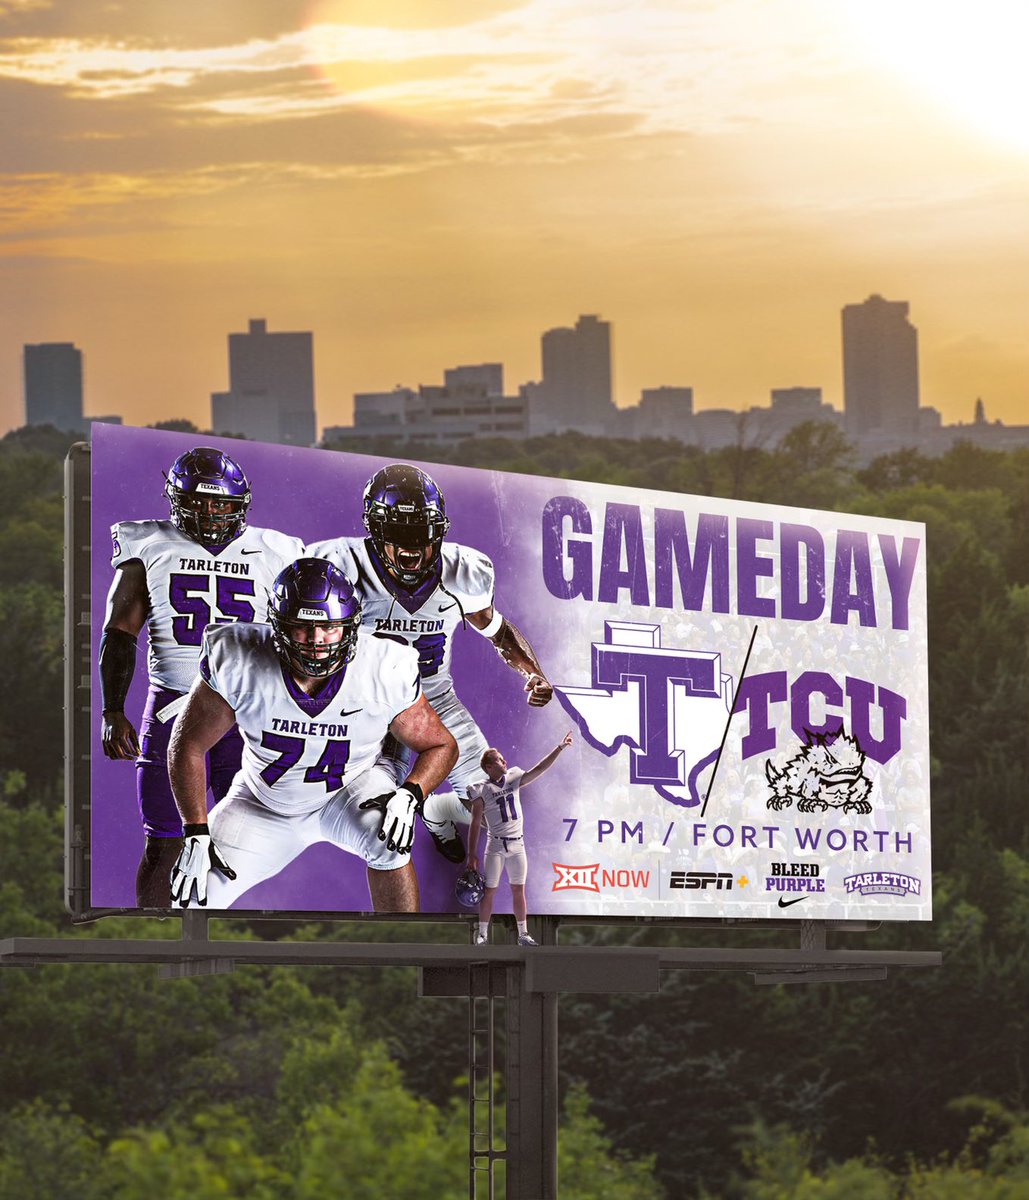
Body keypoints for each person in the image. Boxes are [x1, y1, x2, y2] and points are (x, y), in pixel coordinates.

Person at [168, 558, 458, 912]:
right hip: (262, 802)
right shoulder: (239, 658)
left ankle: (403, 943)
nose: (317, 640)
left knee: (390, 836)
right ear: (278, 626)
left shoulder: (383, 667)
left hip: (350, 789)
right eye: (301, 627)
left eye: (330, 628)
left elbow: (441, 745)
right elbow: (187, 746)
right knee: (190, 896)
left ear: (351, 627)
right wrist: (195, 831)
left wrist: (411, 793)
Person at [307, 463, 553, 864]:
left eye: (421, 532)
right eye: (398, 531)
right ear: (374, 528)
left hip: (434, 699)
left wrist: (535, 674)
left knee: (498, 809)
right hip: (363, 703)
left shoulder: (463, 572)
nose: (411, 546)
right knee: (377, 822)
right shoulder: (339, 567)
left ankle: (436, 814)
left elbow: (497, 631)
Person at [99, 445, 303, 905]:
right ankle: (155, 934)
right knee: (166, 840)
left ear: (240, 504)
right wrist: (112, 709)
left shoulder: (279, 551)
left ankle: (220, 930)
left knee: (245, 843)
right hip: (174, 705)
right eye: (200, 502)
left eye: (221, 503)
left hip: (248, 710)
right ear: (177, 501)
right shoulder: (148, 543)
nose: (211, 513)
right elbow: (120, 631)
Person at [467, 731, 573, 946]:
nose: (504, 761)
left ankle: (523, 934)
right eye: (499, 760)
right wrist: (471, 854)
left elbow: (539, 769)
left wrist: (560, 747)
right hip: (496, 845)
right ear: (489, 767)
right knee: (490, 890)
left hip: (517, 843)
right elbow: (475, 822)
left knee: (518, 889)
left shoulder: (513, 777)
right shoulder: (481, 789)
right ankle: (483, 934)